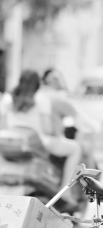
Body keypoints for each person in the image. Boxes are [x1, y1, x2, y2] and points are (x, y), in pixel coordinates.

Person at [0, 70, 82, 203]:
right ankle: (64, 190)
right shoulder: (41, 98)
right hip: (37, 141)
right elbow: (47, 128)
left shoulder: (7, 98)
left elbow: (3, 126)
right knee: (75, 148)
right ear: (37, 83)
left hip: (10, 142)